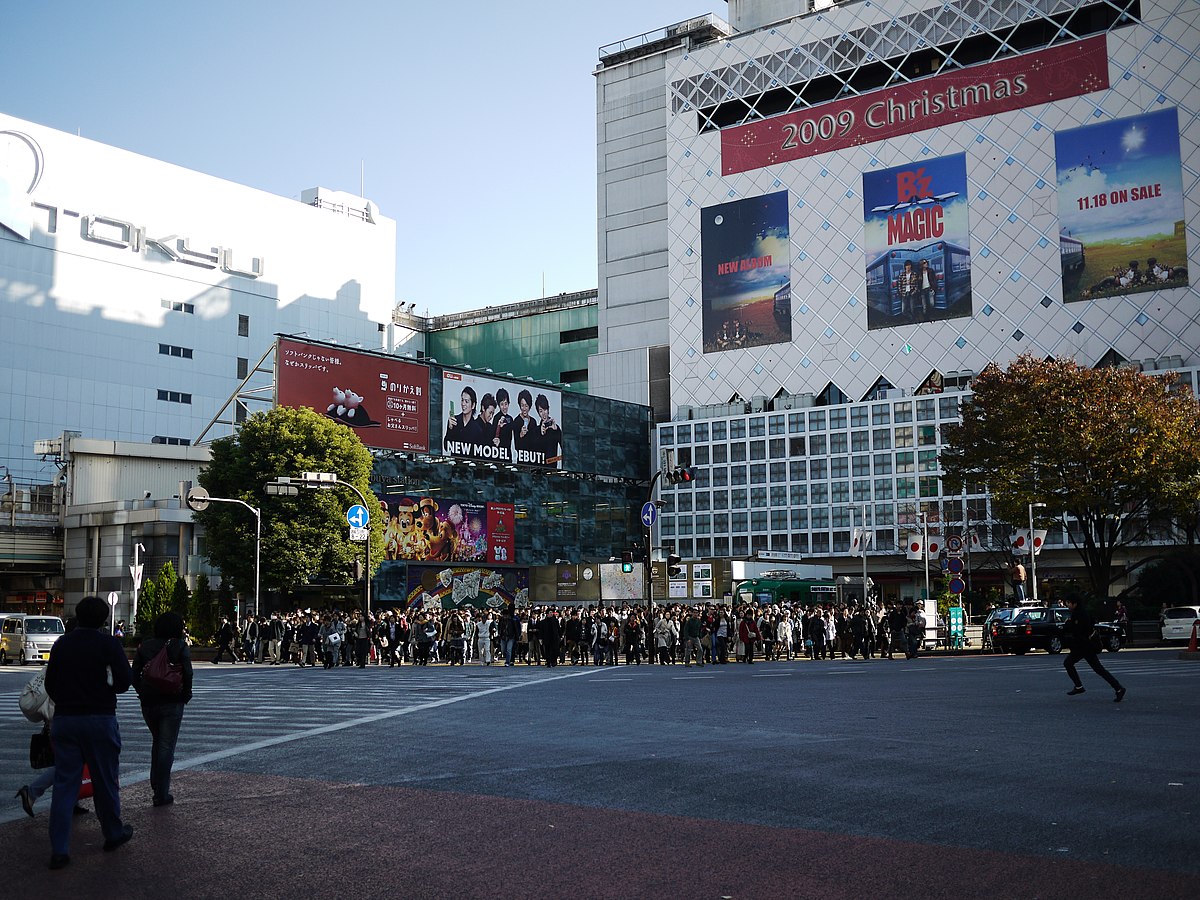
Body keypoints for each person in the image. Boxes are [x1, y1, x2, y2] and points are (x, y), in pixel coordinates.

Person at [43, 595, 135, 870]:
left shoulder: (62, 644)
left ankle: (59, 849)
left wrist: (65, 701)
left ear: (78, 616)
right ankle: (112, 833)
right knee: (105, 780)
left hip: (66, 719)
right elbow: (124, 682)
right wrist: (106, 689)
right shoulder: (108, 644)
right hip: (99, 717)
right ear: (104, 619)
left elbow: (50, 683)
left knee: (64, 784)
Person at [131, 611, 193, 807]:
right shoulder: (179, 645)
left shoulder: (145, 646)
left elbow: (134, 675)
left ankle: (156, 783)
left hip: (149, 702)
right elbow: (188, 672)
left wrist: (142, 691)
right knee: (166, 745)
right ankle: (161, 791)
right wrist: (186, 694)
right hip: (172, 700)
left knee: (157, 741)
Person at [1063, 597, 1126, 702]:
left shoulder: (1078, 614)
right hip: (1086, 646)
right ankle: (1118, 688)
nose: (1067, 606)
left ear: (1074, 604)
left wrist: (1068, 623)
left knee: (1069, 663)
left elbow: (1077, 630)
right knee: (1098, 669)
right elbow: (1092, 622)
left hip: (1083, 646)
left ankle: (1079, 686)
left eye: (1068, 603)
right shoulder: (1083, 612)